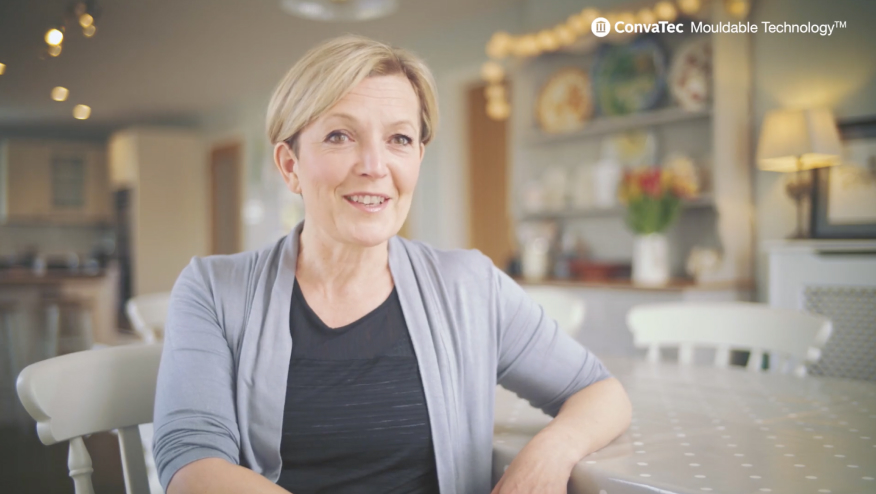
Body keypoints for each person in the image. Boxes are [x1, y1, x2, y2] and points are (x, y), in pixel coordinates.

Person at [153, 34, 631, 494]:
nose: (375, 165)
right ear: (289, 165)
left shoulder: (470, 285)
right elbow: (193, 465)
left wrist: (550, 450)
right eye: (340, 135)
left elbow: (599, 391)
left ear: (418, 157)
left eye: (399, 139)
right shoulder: (213, 290)